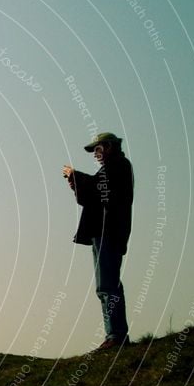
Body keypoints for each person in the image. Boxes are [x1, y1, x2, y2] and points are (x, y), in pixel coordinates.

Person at [63, 132, 134, 350]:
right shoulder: (115, 167)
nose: (96, 153)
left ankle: (115, 336)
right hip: (105, 232)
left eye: (98, 148)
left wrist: (75, 176)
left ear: (109, 147)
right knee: (108, 284)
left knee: (107, 285)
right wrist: (77, 182)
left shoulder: (119, 166)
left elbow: (98, 190)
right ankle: (116, 335)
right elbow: (94, 194)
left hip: (108, 231)